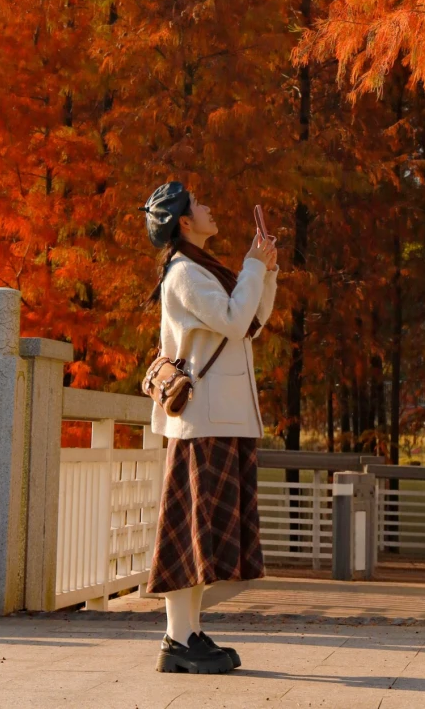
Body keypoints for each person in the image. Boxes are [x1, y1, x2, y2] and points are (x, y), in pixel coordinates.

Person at [143, 181, 278, 675]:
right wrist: (255, 268)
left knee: (200, 536)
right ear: (183, 220)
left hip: (220, 418)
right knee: (190, 536)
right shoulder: (184, 275)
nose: (208, 207)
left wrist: (267, 271)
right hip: (203, 422)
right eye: (199, 204)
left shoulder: (202, 269)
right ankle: (178, 640)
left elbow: (252, 322)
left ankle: (186, 635)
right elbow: (235, 318)